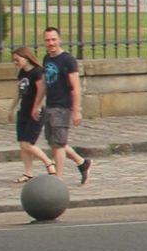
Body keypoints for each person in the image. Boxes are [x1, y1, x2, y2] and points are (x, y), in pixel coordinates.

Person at [36, 26, 91, 184]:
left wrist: (76, 111)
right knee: (54, 142)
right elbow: (44, 85)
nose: (51, 43)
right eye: (47, 40)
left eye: (54, 39)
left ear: (59, 40)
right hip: (50, 105)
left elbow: (76, 87)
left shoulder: (67, 60)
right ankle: (82, 163)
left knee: (58, 145)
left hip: (63, 107)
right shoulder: (47, 59)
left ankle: (58, 180)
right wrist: (36, 105)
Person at [11, 48, 54, 183]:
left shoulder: (36, 73)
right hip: (23, 111)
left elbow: (41, 92)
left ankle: (49, 162)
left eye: (17, 60)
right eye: (14, 60)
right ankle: (28, 172)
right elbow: (19, 92)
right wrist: (11, 109)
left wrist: (37, 108)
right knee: (22, 144)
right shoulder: (22, 73)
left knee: (27, 144)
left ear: (26, 58)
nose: (15, 63)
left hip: (35, 112)